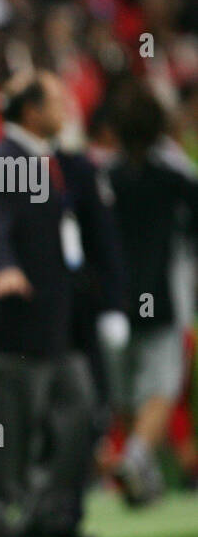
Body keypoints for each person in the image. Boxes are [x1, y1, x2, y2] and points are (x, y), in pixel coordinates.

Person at [0, 70, 117, 537]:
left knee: (79, 409)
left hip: (56, 319)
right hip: (14, 322)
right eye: (57, 101)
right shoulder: (3, 160)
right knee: (9, 422)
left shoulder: (49, 160)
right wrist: (2, 266)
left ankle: (52, 513)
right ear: (31, 111)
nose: (66, 108)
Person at [105, 84, 198, 504]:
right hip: (162, 296)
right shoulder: (177, 175)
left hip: (113, 301)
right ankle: (138, 457)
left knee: (125, 392)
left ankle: (143, 473)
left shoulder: (104, 175)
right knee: (161, 387)